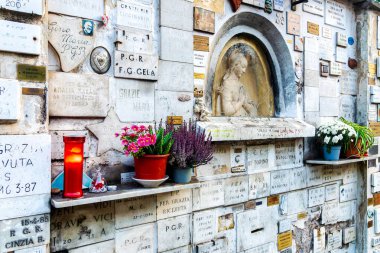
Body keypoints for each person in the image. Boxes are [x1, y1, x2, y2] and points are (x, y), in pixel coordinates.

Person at [219, 48, 258, 117]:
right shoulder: (227, 84)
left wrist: (247, 106)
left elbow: (251, 107)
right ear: (235, 65)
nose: (244, 71)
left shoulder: (240, 85)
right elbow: (227, 111)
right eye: (243, 67)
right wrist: (241, 102)